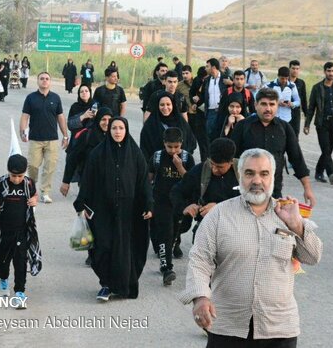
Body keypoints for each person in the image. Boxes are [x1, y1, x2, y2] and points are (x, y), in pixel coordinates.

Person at [179, 148, 323, 346]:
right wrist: (201, 297)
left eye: (264, 174)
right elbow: (199, 260)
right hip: (228, 327)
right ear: (240, 176)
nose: (257, 181)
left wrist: (297, 225)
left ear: (273, 176)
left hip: (279, 328)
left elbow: (313, 257)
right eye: (249, 173)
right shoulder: (219, 215)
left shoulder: (289, 214)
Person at [73, 117, 153, 301]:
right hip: (103, 210)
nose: (117, 131)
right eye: (114, 128)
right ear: (109, 131)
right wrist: (81, 203)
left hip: (129, 211)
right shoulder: (97, 154)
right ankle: (106, 284)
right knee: (104, 247)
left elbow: (143, 183)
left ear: (126, 130)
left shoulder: (135, 153)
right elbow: (88, 180)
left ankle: (124, 285)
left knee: (127, 248)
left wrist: (149, 204)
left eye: (121, 128)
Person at [231, 88, 316, 206]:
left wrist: (307, 189)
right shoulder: (243, 127)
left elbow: (297, 158)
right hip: (246, 191)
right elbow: (230, 159)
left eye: (272, 104)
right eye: (264, 104)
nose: (268, 109)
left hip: (273, 192)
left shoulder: (285, 128)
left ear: (277, 106)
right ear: (256, 105)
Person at [0, 154, 41, 306]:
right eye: (13, 176)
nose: (16, 179)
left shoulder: (28, 184)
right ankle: (3, 280)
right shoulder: (1, 183)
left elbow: (36, 194)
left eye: (20, 176)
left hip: (22, 230)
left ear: (25, 173)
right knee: (3, 261)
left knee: (20, 262)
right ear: (8, 172)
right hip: (3, 231)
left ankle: (20, 292)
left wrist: (35, 200)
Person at [170, 138, 241, 252]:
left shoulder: (245, 173)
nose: (214, 169)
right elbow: (177, 191)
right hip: (205, 232)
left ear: (231, 162)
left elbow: (254, 203)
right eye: (212, 164)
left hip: (235, 233)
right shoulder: (200, 170)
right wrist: (185, 207)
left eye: (220, 167)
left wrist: (218, 207)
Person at [148, 127, 195, 285]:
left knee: (179, 228)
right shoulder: (157, 156)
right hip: (162, 200)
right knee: (165, 232)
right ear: (164, 144)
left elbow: (190, 181)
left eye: (176, 147)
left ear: (181, 143)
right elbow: (150, 177)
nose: (173, 150)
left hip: (180, 202)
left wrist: (180, 166)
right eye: (169, 147)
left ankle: (175, 242)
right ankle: (166, 267)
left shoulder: (188, 158)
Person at [20, 72, 69, 204]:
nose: (44, 81)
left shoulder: (56, 98)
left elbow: (60, 117)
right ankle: (32, 189)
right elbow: (25, 116)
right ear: (37, 81)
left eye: (47, 79)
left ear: (50, 82)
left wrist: (65, 135)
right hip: (35, 139)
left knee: (49, 167)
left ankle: (45, 193)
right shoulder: (31, 98)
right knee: (33, 166)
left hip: (52, 139)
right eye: (42, 79)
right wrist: (23, 131)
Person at [304, 61, 333, 185]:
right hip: (322, 123)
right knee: (326, 148)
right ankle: (331, 173)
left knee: (327, 151)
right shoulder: (317, 88)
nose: (331, 73)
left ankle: (319, 172)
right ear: (324, 72)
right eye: (329, 71)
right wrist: (307, 124)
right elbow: (311, 107)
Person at [60, 107, 113, 198]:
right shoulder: (87, 135)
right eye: (103, 119)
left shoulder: (116, 136)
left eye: (109, 120)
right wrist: (66, 181)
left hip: (110, 182)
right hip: (88, 181)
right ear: (97, 120)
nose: (107, 123)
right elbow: (73, 158)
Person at [140, 92, 196, 164]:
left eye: (168, 104)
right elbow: (144, 150)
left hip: (180, 166)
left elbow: (191, 142)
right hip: (157, 167)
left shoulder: (181, 123)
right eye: (162, 105)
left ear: (173, 105)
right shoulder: (150, 125)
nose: (165, 108)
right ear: (157, 106)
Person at [202, 58, 229, 141]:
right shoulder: (206, 80)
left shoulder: (226, 78)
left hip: (222, 111)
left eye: (207, 66)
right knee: (210, 135)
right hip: (210, 112)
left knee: (222, 134)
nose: (205, 68)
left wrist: (232, 83)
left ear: (213, 67)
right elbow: (203, 95)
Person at [189, 66, 210, 162]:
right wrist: (193, 101)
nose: (203, 80)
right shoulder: (197, 81)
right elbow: (192, 93)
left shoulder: (212, 81)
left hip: (210, 114)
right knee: (202, 141)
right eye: (202, 78)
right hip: (199, 114)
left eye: (205, 78)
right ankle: (204, 163)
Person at [289, 60, 307, 139]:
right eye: (293, 68)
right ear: (289, 68)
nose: (295, 71)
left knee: (295, 136)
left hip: (296, 113)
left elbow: (303, 100)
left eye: (297, 69)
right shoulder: (284, 81)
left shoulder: (301, 83)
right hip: (284, 112)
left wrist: (307, 116)